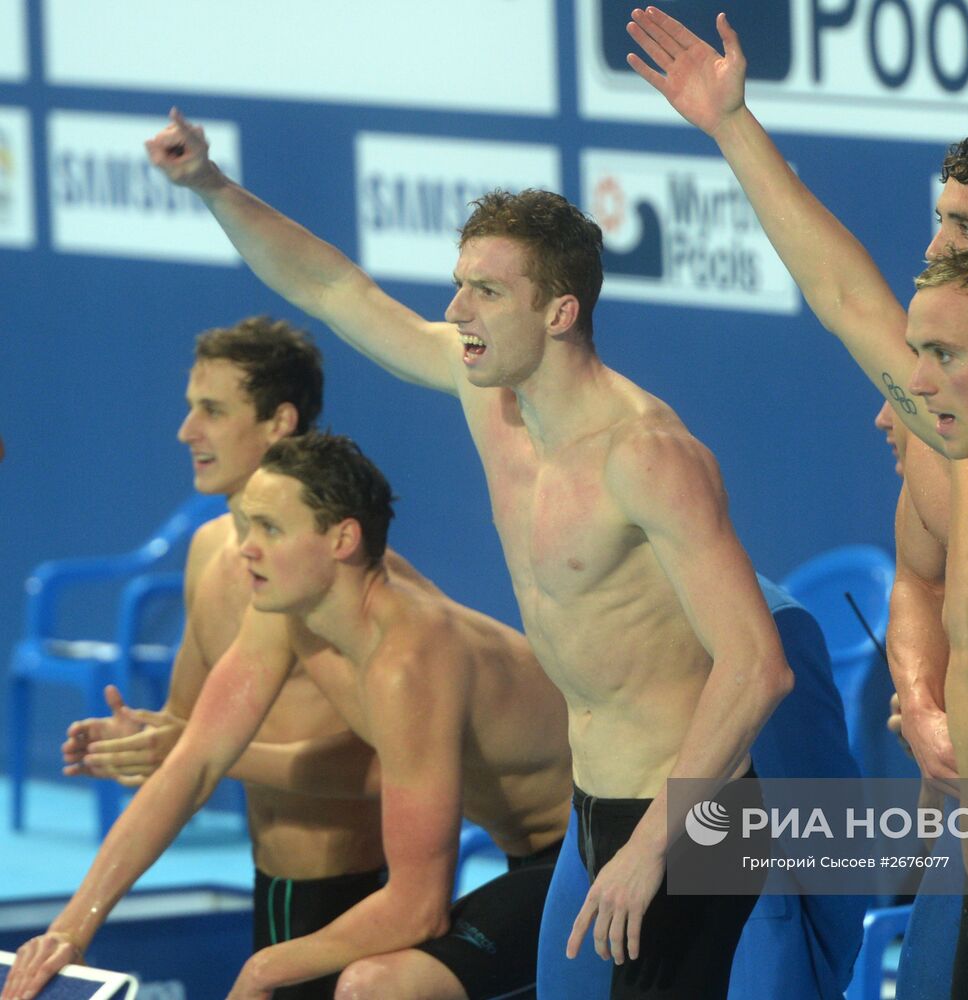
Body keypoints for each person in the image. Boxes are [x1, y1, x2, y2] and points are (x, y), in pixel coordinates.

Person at [144, 109, 793, 999]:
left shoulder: (646, 457)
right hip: (592, 812)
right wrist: (212, 187)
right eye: (459, 287)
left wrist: (652, 852)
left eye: (485, 292)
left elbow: (757, 667)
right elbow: (335, 290)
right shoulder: (488, 395)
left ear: (560, 311)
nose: (456, 311)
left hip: (689, 821)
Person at [629, 10, 968, 995]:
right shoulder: (963, 464)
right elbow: (841, 295)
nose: (911, 384)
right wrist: (731, 128)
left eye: (939, 358)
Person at [3, 432, 574, 1000]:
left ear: (342, 539)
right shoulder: (287, 608)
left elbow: (418, 908)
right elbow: (192, 765)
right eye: (248, 526)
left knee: (375, 987)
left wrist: (262, 970)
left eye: (270, 529)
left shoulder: (408, 660)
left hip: (623, 841)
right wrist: (69, 932)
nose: (246, 547)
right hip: (536, 853)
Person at [60, 318, 390, 1000]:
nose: (187, 431)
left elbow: (388, 767)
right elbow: (189, 728)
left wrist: (195, 752)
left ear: (279, 422)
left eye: (212, 411)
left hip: (351, 900)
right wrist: (144, 741)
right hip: (269, 889)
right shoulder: (212, 553)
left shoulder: (339, 574)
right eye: (190, 408)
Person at [535, 574, 870, 999]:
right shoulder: (586, 602)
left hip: (736, 899)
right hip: (598, 875)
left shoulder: (768, 625)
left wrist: (824, 972)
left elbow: (826, 826)